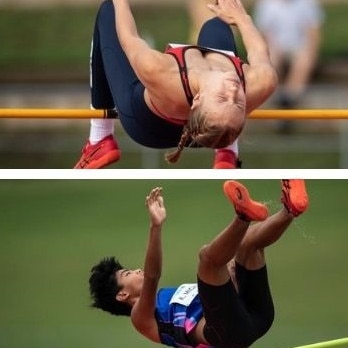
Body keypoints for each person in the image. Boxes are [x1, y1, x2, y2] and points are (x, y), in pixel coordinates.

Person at [88, 179, 309, 348]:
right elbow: (153, 276)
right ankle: (243, 215)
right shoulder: (141, 318)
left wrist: (234, 270)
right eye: (127, 273)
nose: (137, 270)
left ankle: (290, 208)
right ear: (122, 295)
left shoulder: (170, 296)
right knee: (207, 259)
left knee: (246, 246)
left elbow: (219, 298)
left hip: (255, 313)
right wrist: (155, 226)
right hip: (228, 336)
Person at [74, 0, 278, 169]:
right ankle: (226, 151)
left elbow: (128, 37)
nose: (234, 89)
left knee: (109, 10)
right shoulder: (259, 83)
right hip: (208, 135)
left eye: (223, 97)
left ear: (198, 100)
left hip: (148, 126)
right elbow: (259, 52)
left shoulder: (159, 71)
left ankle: (99, 139)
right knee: (218, 23)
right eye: (238, 103)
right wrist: (242, 19)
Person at [252, 0, 324, 134]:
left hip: (299, 48)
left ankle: (289, 99)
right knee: (271, 57)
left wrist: (312, 52)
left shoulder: (308, 4)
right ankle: (281, 101)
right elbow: (263, 35)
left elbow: (313, 35)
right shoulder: (266, 4)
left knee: (304, 58)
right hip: (276, 48)